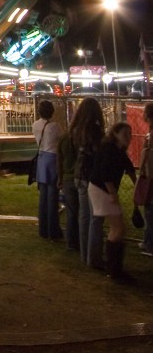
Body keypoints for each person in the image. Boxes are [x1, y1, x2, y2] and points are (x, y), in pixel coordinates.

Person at [89, 121, 137, 282]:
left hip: (103, 189)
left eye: (130, 134)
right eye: (125, 134)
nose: (128, 137)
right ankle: (115, 269)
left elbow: (128, 166)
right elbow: (105, 173)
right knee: (118, 228)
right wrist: (113, 194)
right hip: (101, 189)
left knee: (118, 228)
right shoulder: (109, 149)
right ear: (115, 133)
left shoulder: (118, 150)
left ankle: (114, 268)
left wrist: (136, 183)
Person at [71, 96, 106, 268]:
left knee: (84, 216)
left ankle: (85, 255)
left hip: (79, 175)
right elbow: (98, 154)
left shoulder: (76, 129)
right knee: (96, 218)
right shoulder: (95, 130)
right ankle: (94, 258)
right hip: (92, 176)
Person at [32, 99, 63, 241]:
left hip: (41, 158)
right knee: (53, 197)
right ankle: (53, 230)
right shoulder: (55, 126)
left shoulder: (35, 125)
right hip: (52, 159)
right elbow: (63, 140)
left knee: (43, 196)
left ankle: (43, 229)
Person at [57, 113, 80, 251]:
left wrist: (60, 178)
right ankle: (82, 240)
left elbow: (59, 160)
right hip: (80, 177)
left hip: (67, 178)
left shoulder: (64, 138)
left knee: (71, 212)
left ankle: (71, 242)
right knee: (83, 212)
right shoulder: (83, 138)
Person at [136, 102, 153, 257]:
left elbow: (147, 157)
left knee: (149, 210)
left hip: (150, 176)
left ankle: (149, 244)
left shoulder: (151, 135)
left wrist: (143, 172)